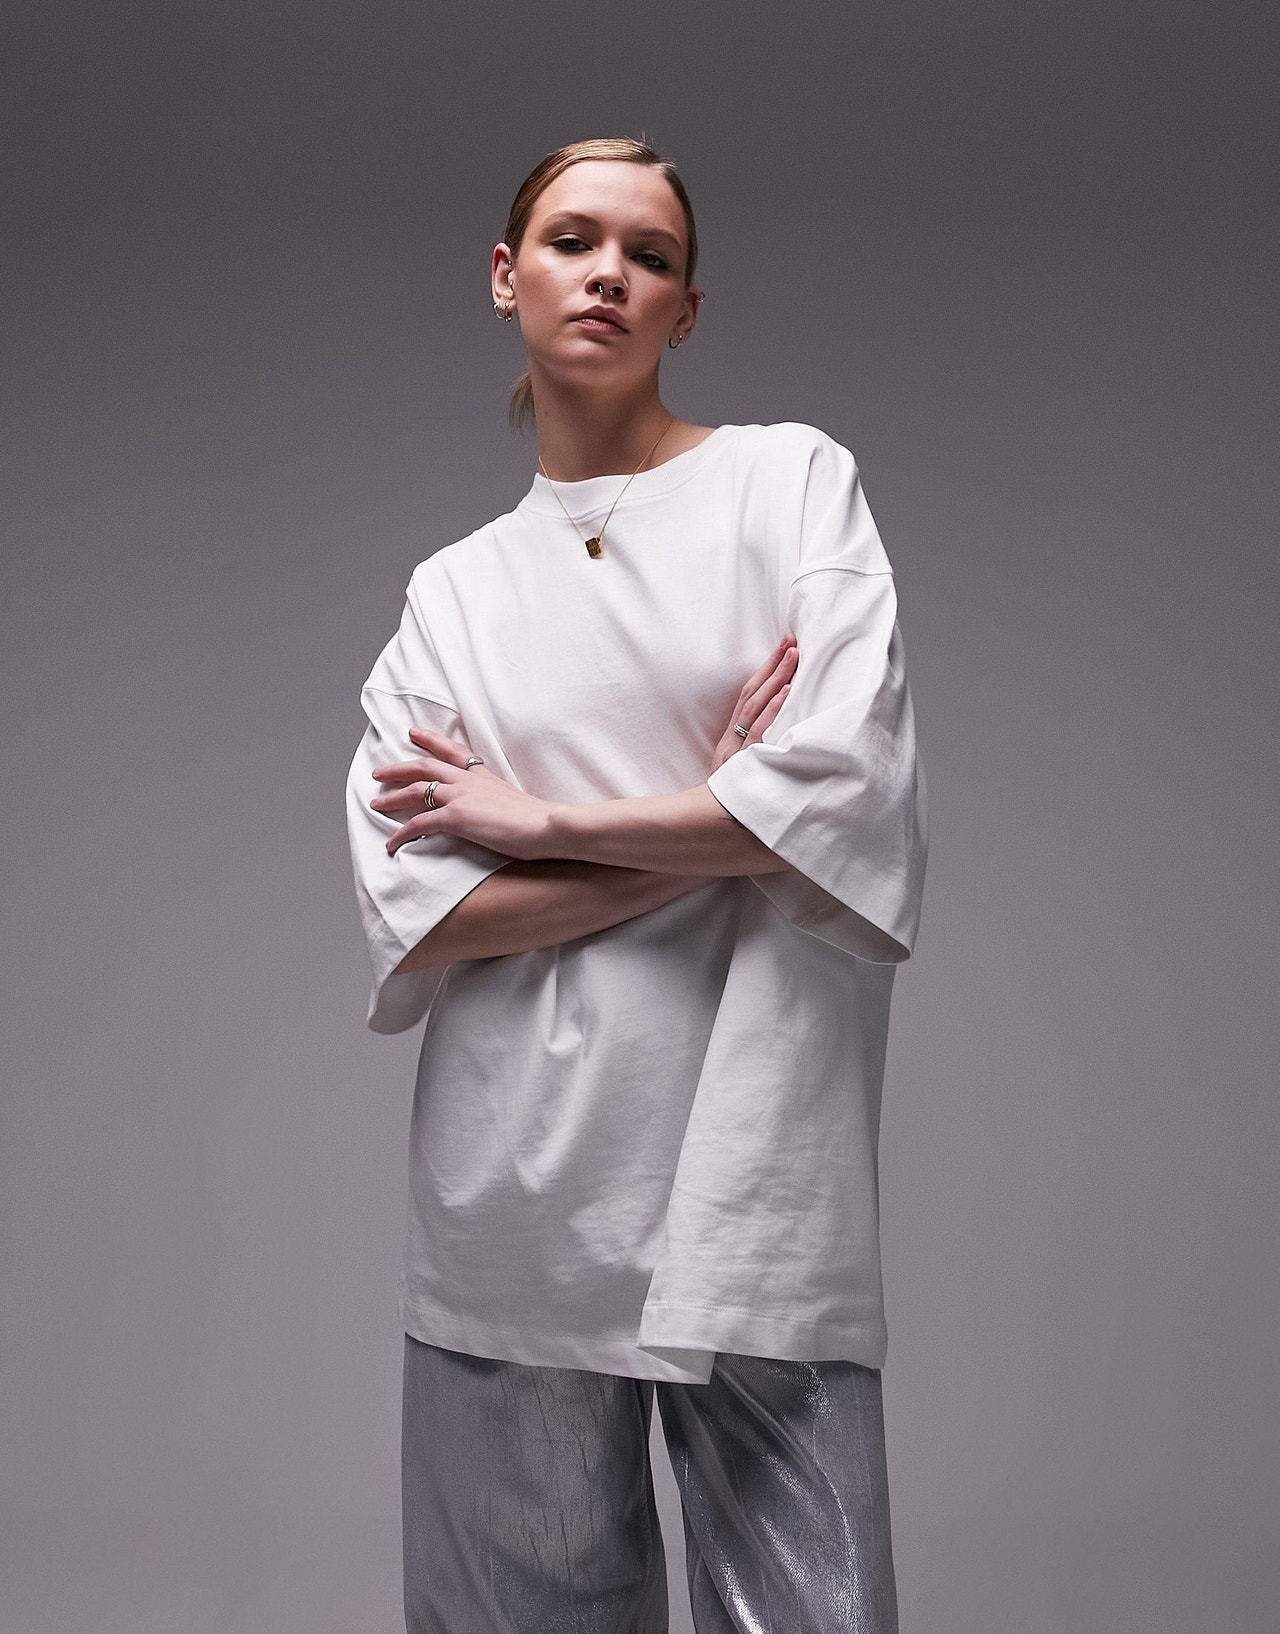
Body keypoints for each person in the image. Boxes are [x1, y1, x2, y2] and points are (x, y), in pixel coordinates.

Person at [346, 137, 927, 1634]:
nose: (609, 272)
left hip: (754, 1174)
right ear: (505, 276)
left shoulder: (790, 487)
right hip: (512, 1194)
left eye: (649, 255)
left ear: (686, 306)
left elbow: (847, 792)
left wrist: (541, 822)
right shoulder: (450, 595)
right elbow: (426, 908)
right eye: (572, 239)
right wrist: (720, 818)